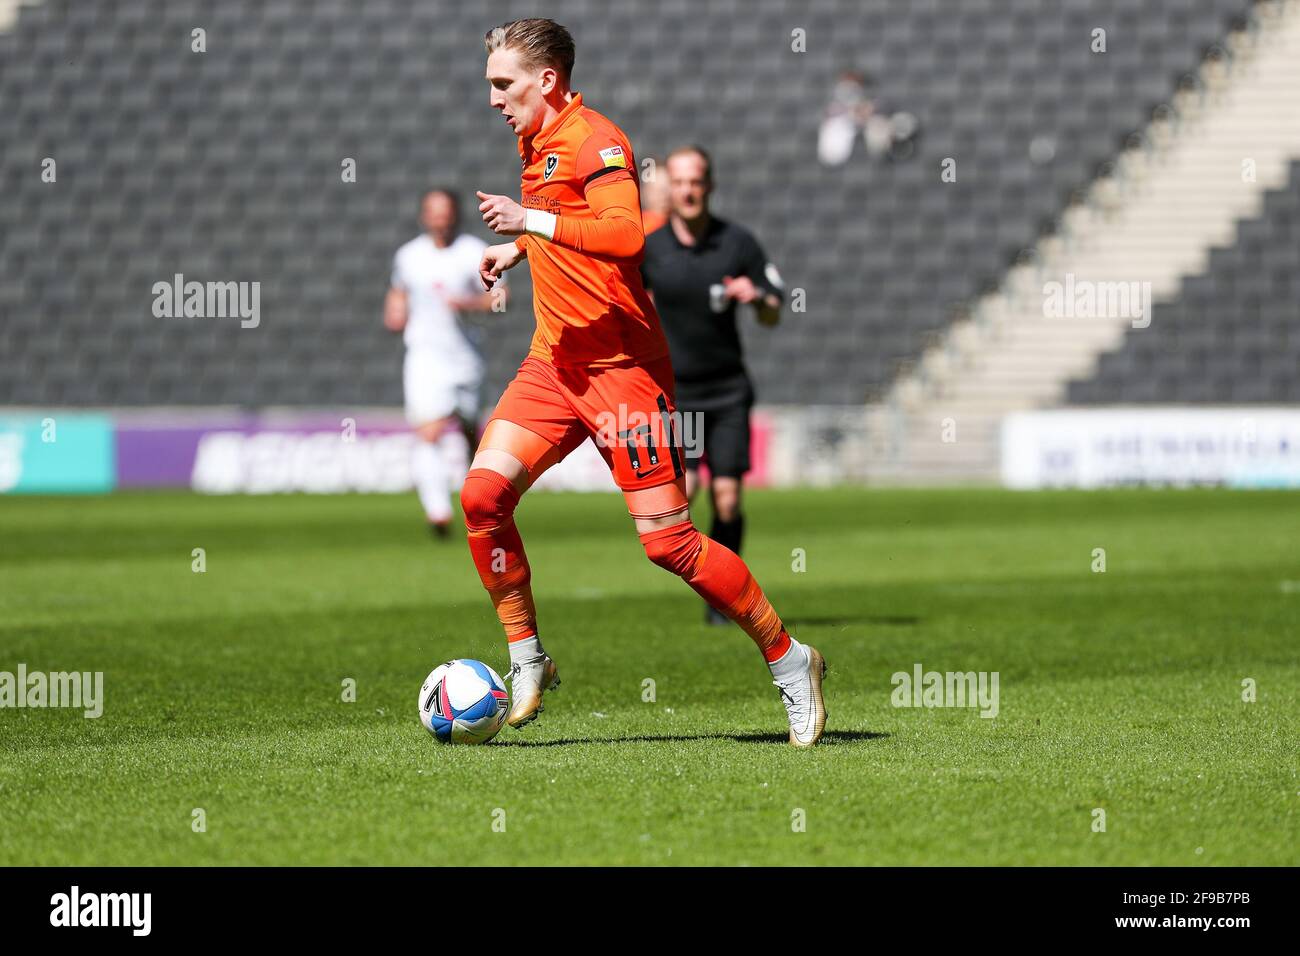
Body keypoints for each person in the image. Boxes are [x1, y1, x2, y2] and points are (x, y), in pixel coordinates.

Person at [468, 18, 826, 746]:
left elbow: (625, 233)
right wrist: (520, 250)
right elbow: (573, 230)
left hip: (623, 375)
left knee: (670, 545)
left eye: (504, 85)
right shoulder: (534, 139)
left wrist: (529, 219)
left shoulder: (597, 139)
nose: (495, 99)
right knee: (482, 496)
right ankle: (527, 655)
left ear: (547, 80)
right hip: (554, 361)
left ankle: (791, 660)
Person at [640, 145, 785, 625]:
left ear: (709, 185)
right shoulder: (652, 248)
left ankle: (724, 598)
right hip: (677, 395)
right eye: (679, 181)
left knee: (727, 497)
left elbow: (773, 311)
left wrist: (757, 296)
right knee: (680, 497)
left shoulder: (736, 243)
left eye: (696, 181)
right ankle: (707, 575)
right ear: (670, 189)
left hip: (725, 390)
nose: (687, 190)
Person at [384, 189, 505, 536]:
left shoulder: (471, 252)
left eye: (445, 212)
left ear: (455, 215)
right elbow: (399, 291)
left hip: (466, 357)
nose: (439, 218)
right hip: (425, 356)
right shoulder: (409, 255)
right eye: (433, 212)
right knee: (429, 430)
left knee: (470, 433)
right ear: (424, 216)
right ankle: (438, 511)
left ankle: (478, 503)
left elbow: (500, 298)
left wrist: (469, 303)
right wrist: (394, 311)